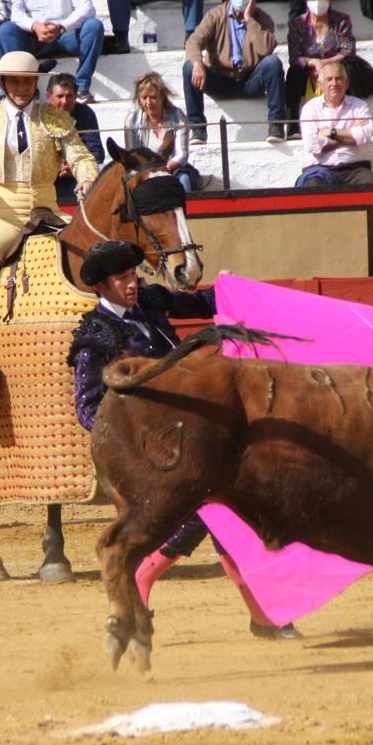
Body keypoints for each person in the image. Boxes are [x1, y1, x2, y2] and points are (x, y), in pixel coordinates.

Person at [66, 239, 301, 640]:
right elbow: (89, 409)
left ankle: (259, 616)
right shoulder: (96, 337)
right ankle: (145, 595)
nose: (131, 284)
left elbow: (200, 303)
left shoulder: (151, 305)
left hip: (197, 439)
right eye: (121, 279)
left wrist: (229, 287)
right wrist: (144, 442)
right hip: (155, 456)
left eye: (133, 276)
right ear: (100, 287)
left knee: (225, 516)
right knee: (207, 516)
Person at [0, 50, 98, 358]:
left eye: (27, 82)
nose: (21, 88)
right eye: (14, 81)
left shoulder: (56, 119)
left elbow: (81, 157)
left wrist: (87, 178)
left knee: (93, 253)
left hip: (48, 213)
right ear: (2, 82)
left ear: (36, 84)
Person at [183, 0, 286, 144]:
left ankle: (276, 124)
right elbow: (193, 42)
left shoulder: (263, 19)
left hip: (250, 80)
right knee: (189, 67)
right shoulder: (214, 16)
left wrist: (249, 19)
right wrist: (198, 62)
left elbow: (266, 48)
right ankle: (197, 128)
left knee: (273, 63)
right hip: (222, 80)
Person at [286, 0, 373, 138]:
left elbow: (348, 50)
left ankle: (353, 117)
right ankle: (293, 124)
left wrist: (326, 65)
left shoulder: (341, 20)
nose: (317, 1)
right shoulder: (297, 24)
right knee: (293, 72)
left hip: (336, 69)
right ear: (306, 0)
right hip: (310, 71)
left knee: (349, 68)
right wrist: (314, 63)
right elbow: (295, 55)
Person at [295, 60, 373, 188]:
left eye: (338, 79)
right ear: (319, 85)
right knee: (313, 183)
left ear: (346, 83)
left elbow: (364, 137)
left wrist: (330, 133)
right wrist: (348, 135)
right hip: (321, 168)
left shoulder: (359, 106)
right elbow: (312, 146)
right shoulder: (310, 108)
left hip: (354, 169)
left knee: (370, 181)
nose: (334, 83)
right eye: (329, 79)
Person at [123, 71, 202, 193]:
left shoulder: (178, 117)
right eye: (144, 98)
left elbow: (182, 155)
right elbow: (133, 156)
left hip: (172, 169)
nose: (148, 103)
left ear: (162, 97)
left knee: (184, 179)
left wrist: (164, 169)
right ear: (139, 99)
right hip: (144, 171)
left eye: (153, 97)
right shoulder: (132, 121)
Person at [46, 72, 103, 203]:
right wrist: (55, 167)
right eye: (59, 96)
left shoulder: (85, 114)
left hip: (78, 177)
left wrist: (74, 168)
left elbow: (97, 153)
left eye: (69, 96)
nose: (64, 102)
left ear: (76, 96)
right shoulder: (39, 116)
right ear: (48, 97)